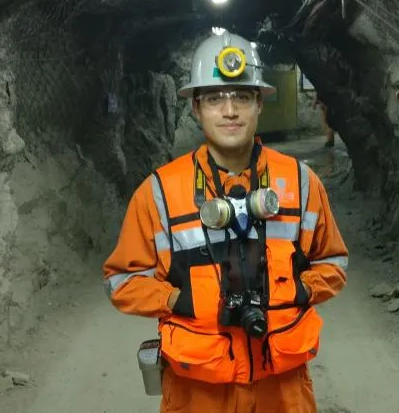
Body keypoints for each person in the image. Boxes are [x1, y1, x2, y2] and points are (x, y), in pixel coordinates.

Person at [102, 30, 349, 413]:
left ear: (259, 105)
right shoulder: (160, 192)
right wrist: (177, 299)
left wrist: (296, 291)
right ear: (196, 108)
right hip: (197, 387)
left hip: (280, 386)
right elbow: (121, 281)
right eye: (215, 98)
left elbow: (333, 263)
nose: (229, 110)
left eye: (242, 97)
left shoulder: (300, 184)